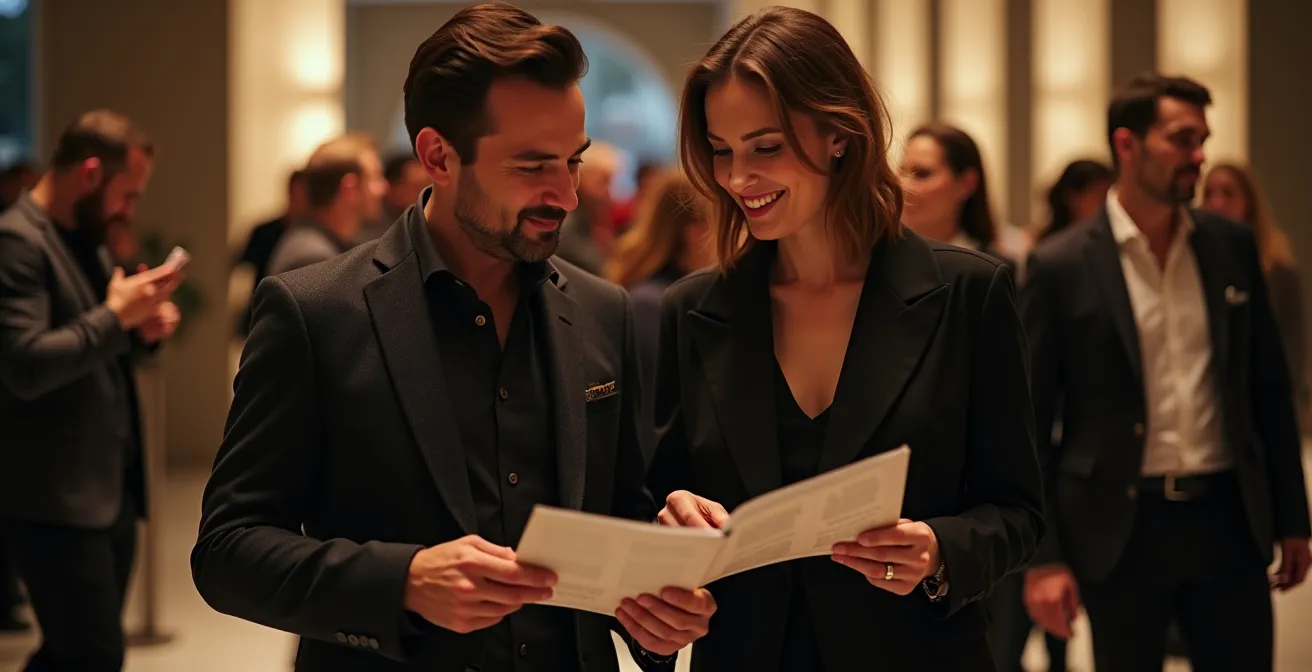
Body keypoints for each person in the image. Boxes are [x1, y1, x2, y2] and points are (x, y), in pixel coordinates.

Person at [190, 4, 712, 671]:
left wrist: (656, 607)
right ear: (437, 155)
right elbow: (227, 550)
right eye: (532, 167)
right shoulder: (314, 312)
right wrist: (402, 582)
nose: (567, 196)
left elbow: (622, 519)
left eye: (572, 162)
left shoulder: (602, 309)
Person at [646, 6, 1044, 671]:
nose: (738, 178)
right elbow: (656, 500)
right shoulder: (692, 311)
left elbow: (1020, 510)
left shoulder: (968, 296)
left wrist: (939, 549)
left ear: (838, 133)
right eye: (721, 151)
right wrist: (670, 525)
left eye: (765, 146)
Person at [1021, 73, 1312, 672]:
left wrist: (1292, 516)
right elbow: (1027, 420)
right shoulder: (1061, 265)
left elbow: (1268, 388)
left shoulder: (1229, 245)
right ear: (1127, 145)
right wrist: (1044, 558)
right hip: (1120, 528)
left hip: (1227, 518)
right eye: (1182, 139)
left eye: (1203, 139)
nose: (1199, 155)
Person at [0, 110, 182, 671]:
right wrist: (115, 317)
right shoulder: (17, 240)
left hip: (106, 491)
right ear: (91, 172)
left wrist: (141, 330)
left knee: (73, 655)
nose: (129, 211)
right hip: (52, 498)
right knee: (93, 654)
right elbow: (25, 364)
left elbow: (101, 342)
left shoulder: (85, 237)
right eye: (126, 195)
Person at [604, 170, 713, 459]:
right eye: (728, 223)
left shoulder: (659, 298)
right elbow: (651, 427)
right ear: (695, 233)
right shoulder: (652, 306)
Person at [1203, 162, 1307, 421]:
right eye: (1209, 193)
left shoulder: (1278, 271)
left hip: (1260, 409)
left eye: (1228, 193)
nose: (1217, 203)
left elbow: (1292, 352)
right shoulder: (1195, 266)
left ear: (1249, 201)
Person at [265, 132, 386, 277]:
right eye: (375, 177)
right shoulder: (313, 259)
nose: (383, 188)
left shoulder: (320, 245)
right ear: (350, 188)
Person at [900, 123, 1014, 267]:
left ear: (967, 183)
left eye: (922, 174)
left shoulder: (993, 269)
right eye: (902, 172)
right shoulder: (877, 263)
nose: (904, 186)